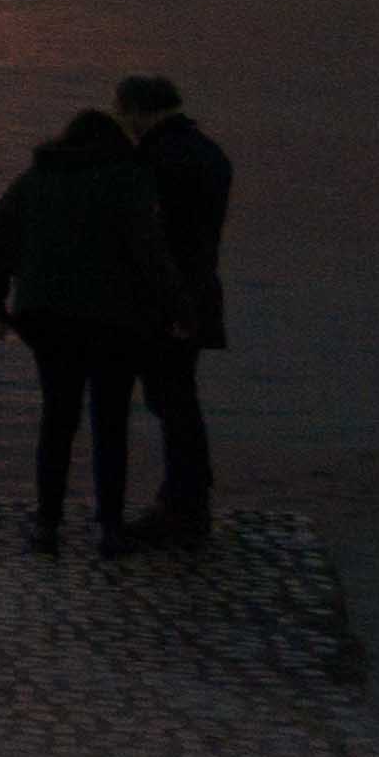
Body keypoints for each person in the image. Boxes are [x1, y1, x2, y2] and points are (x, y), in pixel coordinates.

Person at [0, 107, 187, 557]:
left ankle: (47, 523)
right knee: (109, 421)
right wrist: (176, 308)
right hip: (114, 320)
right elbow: (148, 250)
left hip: (45, 316)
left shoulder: (32, 180)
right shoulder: (127, 180)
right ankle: (109, 527)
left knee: (57, 417)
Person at [114, 74, 232, 546]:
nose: (124, 123)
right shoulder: (210, 153)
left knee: (171, 401)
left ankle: (183, 505)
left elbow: (150, 240)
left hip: (165, 302)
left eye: (124, 113)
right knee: (179, 398)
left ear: (141, 109)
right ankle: (187, 496)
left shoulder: (156, 160)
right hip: (199, 292)